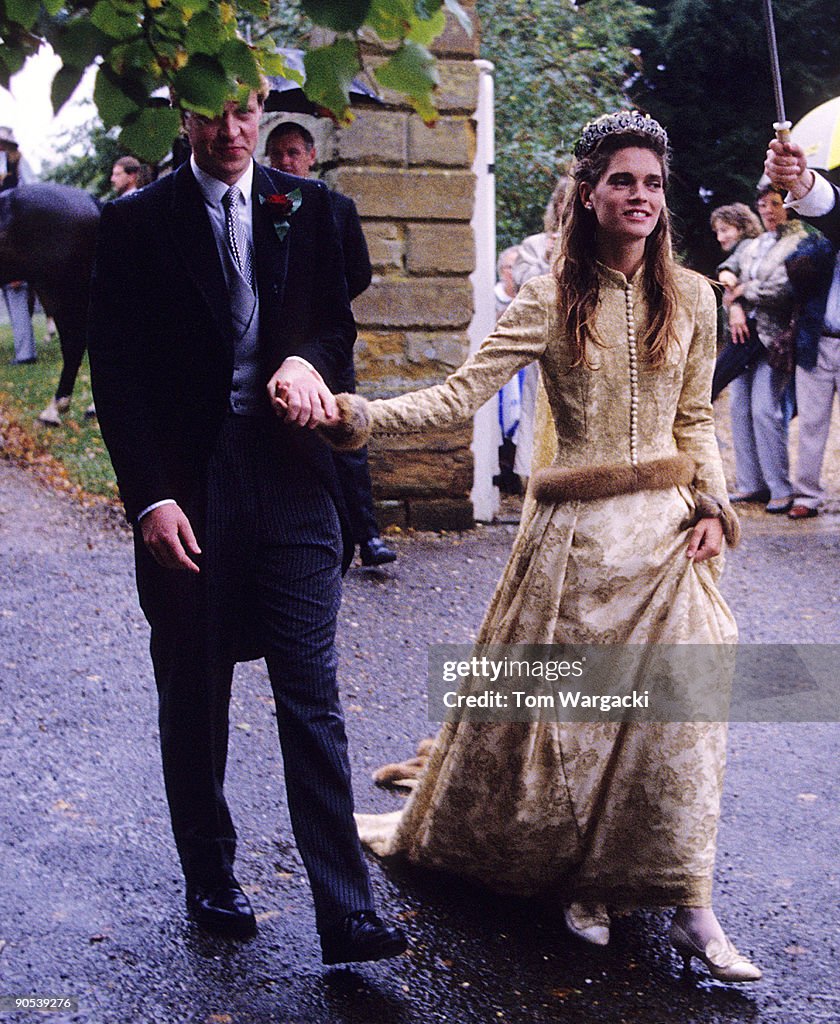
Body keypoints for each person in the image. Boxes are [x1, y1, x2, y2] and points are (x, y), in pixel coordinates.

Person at [322, 110, 761, 983]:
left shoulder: (697, 296)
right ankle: (584, 881)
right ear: (590, 194)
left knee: (686, 708)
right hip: (579, 548)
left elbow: (696, 417)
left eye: (651, 183)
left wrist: (717, 507)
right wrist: (358, 416)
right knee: (578, 727)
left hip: (669, 537)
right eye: (621, 181)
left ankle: (689, 905)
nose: (639, 196)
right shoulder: (549, 296)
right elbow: (460, 395)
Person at [87, 86, 406, 965]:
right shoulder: (136, 224)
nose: (231, 132)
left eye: (246, 112)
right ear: (181, 118)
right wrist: (149, 498)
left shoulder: (311, 208)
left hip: (294, 474)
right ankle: (211, 873)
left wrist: (306, 359)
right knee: (195, 686)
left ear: (263, 112)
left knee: (312, 692)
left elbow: (334, 325)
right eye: (210, 114)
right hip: (190, 485)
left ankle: (345, 909)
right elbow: (117, 376)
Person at [264, 120, 397, 567]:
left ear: (311, 155)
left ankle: (368, 535)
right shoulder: (259, 206)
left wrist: (322, 309)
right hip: (272, 346)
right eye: (278, 153)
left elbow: (358, 272)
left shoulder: (338, 208)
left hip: (325, 342)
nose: (286, 161)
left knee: (344, 428)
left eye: (294, 152)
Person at [765, 140, 840, 519]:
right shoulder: (824, 242)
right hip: (819, 341)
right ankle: (806, 495)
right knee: (810, 422)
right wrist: (799, 181)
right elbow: (828, 205)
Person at [719, 184, 805, 511]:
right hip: (743, 338)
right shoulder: (754, 244)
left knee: (764, 410)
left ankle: (779, 487)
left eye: (775, 203)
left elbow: (783, 290)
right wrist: (735, 299)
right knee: (739, 408)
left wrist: (742, 291)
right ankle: (750, 483)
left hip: (774, 340)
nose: (767, 209)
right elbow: (729, 271)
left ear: (790, 205)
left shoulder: (799, 242)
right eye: (762, 203)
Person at [1, 126, 37, 366]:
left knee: (16, 289)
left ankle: (26, 352)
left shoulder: (19, 164)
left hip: (13, 228)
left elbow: (32, 190)